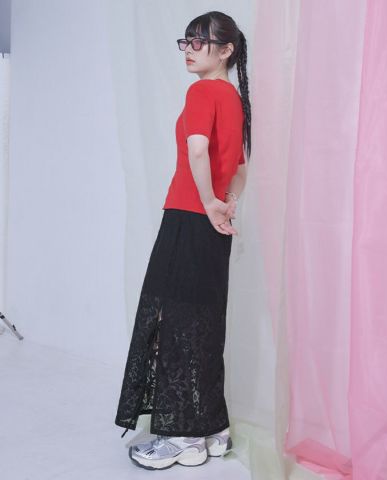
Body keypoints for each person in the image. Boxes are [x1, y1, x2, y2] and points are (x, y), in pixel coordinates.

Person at [114, 10, 251, 470]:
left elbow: (197, 150)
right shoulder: (234, 98)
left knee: (173, 323)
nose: (189, 51)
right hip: (212, 227)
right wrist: (226, 204)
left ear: (226, 50)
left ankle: (181, 438)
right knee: (203, 325)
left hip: (188, 219)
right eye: (186, 42)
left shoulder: (202, 91)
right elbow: (242, 167)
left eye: (199, 42)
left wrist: (210, 202)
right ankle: (212, 430)